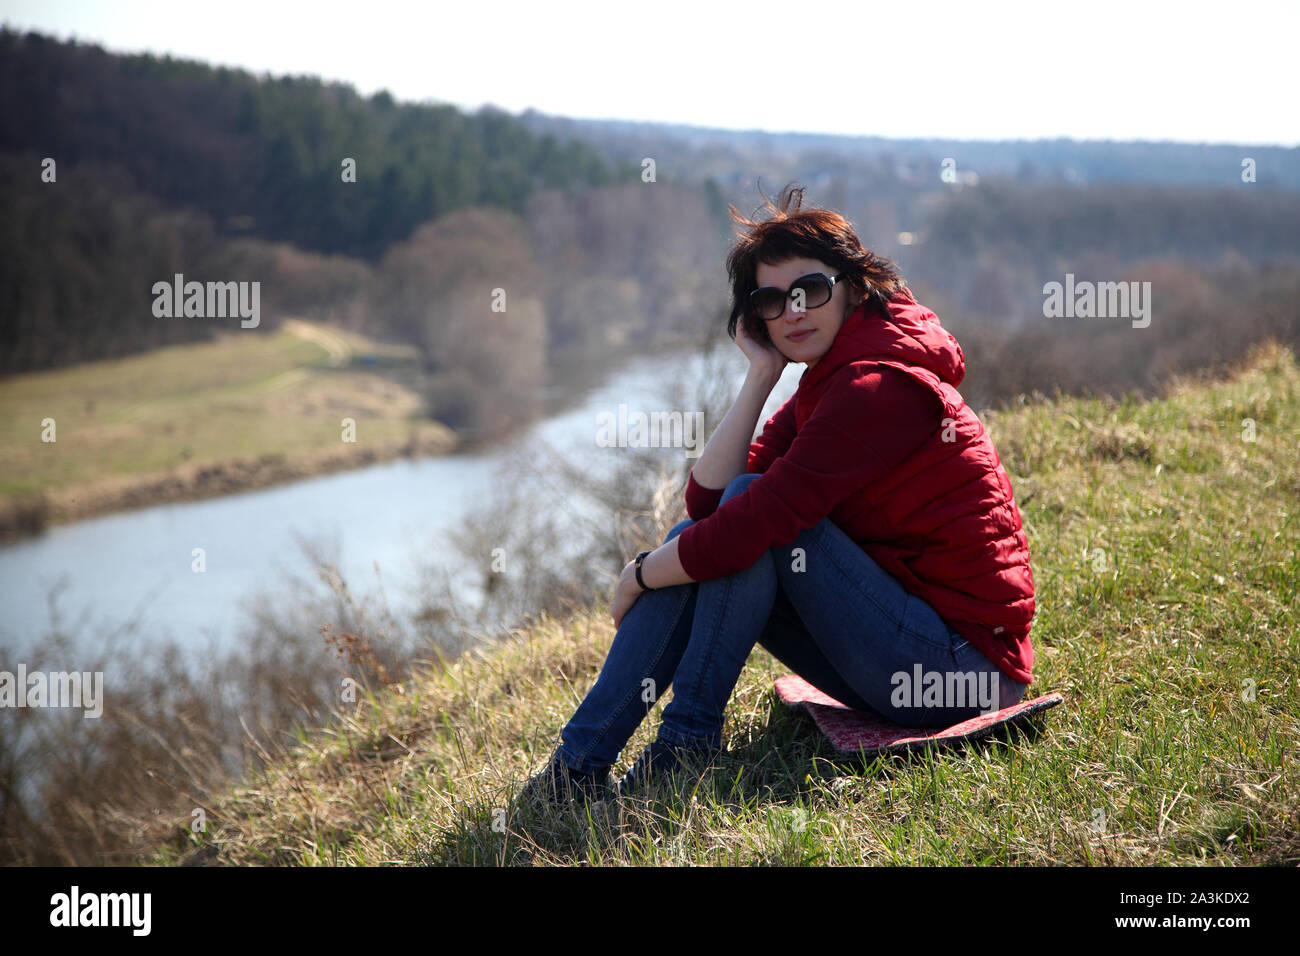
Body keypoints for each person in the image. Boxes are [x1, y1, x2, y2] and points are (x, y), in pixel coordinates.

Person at [518, 183, 1035, 806]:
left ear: (853, 285)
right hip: (905, 654)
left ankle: (660, 749)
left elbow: (746, 521)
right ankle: (588, 765)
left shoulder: (875, 388)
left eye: (810, 290)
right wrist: (761, 375)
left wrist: (640, 574)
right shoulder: (829, 379)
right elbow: (708, 505)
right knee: (737, 516)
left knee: (754, 522)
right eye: (771, 300)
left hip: (960, 675)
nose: (793, 311)